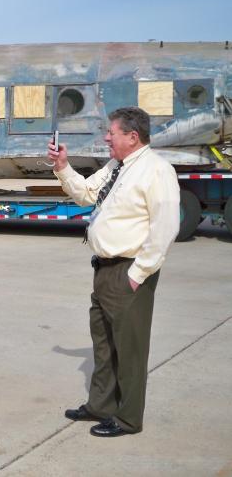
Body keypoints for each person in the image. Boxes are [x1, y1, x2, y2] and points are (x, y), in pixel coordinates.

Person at [47, 106, 179, 437]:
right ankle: (101, 406)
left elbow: (164, 229)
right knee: (104, 345)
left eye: (112, 132)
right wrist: (62, 167)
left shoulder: (156, 171)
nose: (107, 137)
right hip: (104, 271)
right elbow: (86, 195)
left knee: (130, 351)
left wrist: (138, 274)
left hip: (129, 272)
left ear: (132, 137)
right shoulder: (116, 167)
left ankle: (128, 418)